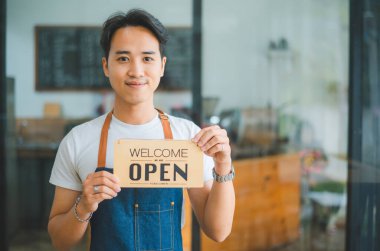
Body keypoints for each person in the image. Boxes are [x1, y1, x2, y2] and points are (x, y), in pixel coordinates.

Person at [48, 9, 235, 251]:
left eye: (147, 58)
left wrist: (223, 166)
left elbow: (218, 231)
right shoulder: (77, 140)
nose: (136, 71)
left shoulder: (187, 137)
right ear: (106, 66)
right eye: (123, 58)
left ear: (162, 66)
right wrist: (83, 206)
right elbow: (60, 242)